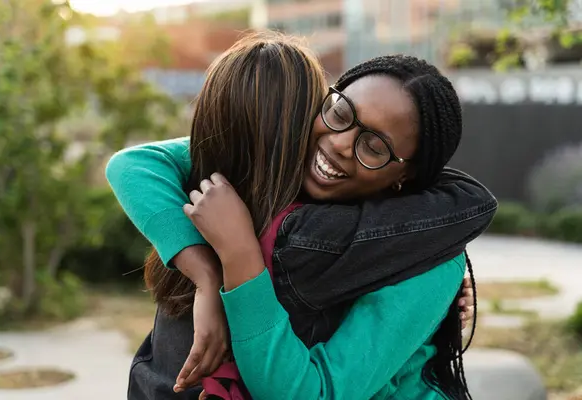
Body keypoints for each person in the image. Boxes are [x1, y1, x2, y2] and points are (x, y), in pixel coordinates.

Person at [106, 33, 495, 400]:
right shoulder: (277, 166)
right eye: (341, 112)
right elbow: (135, 164)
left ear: (405, 176)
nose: (340, 144)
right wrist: (206, 273)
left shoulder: (423, 254)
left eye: (374, 147)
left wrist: (240, 254)